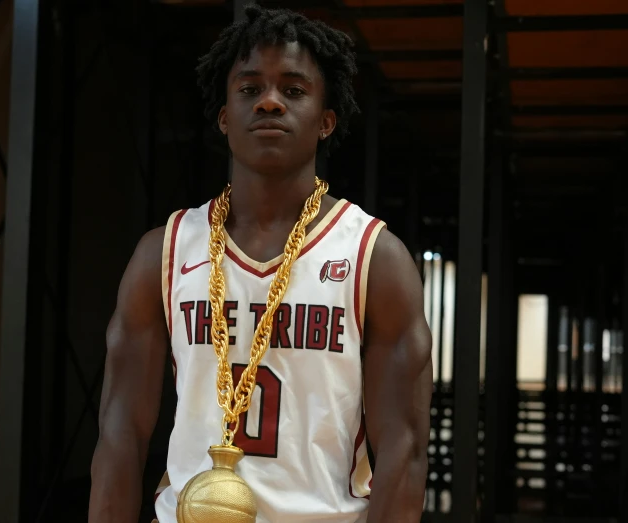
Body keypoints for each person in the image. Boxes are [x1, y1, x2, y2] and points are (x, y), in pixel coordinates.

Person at [88, 5, 432, 523]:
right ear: (225, 116)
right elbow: (119, 436)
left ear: (326, 119)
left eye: (293, 91)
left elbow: (404, 457)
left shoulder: (374, 258)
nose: (270, 102)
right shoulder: (164, 251)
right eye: (250, 89)